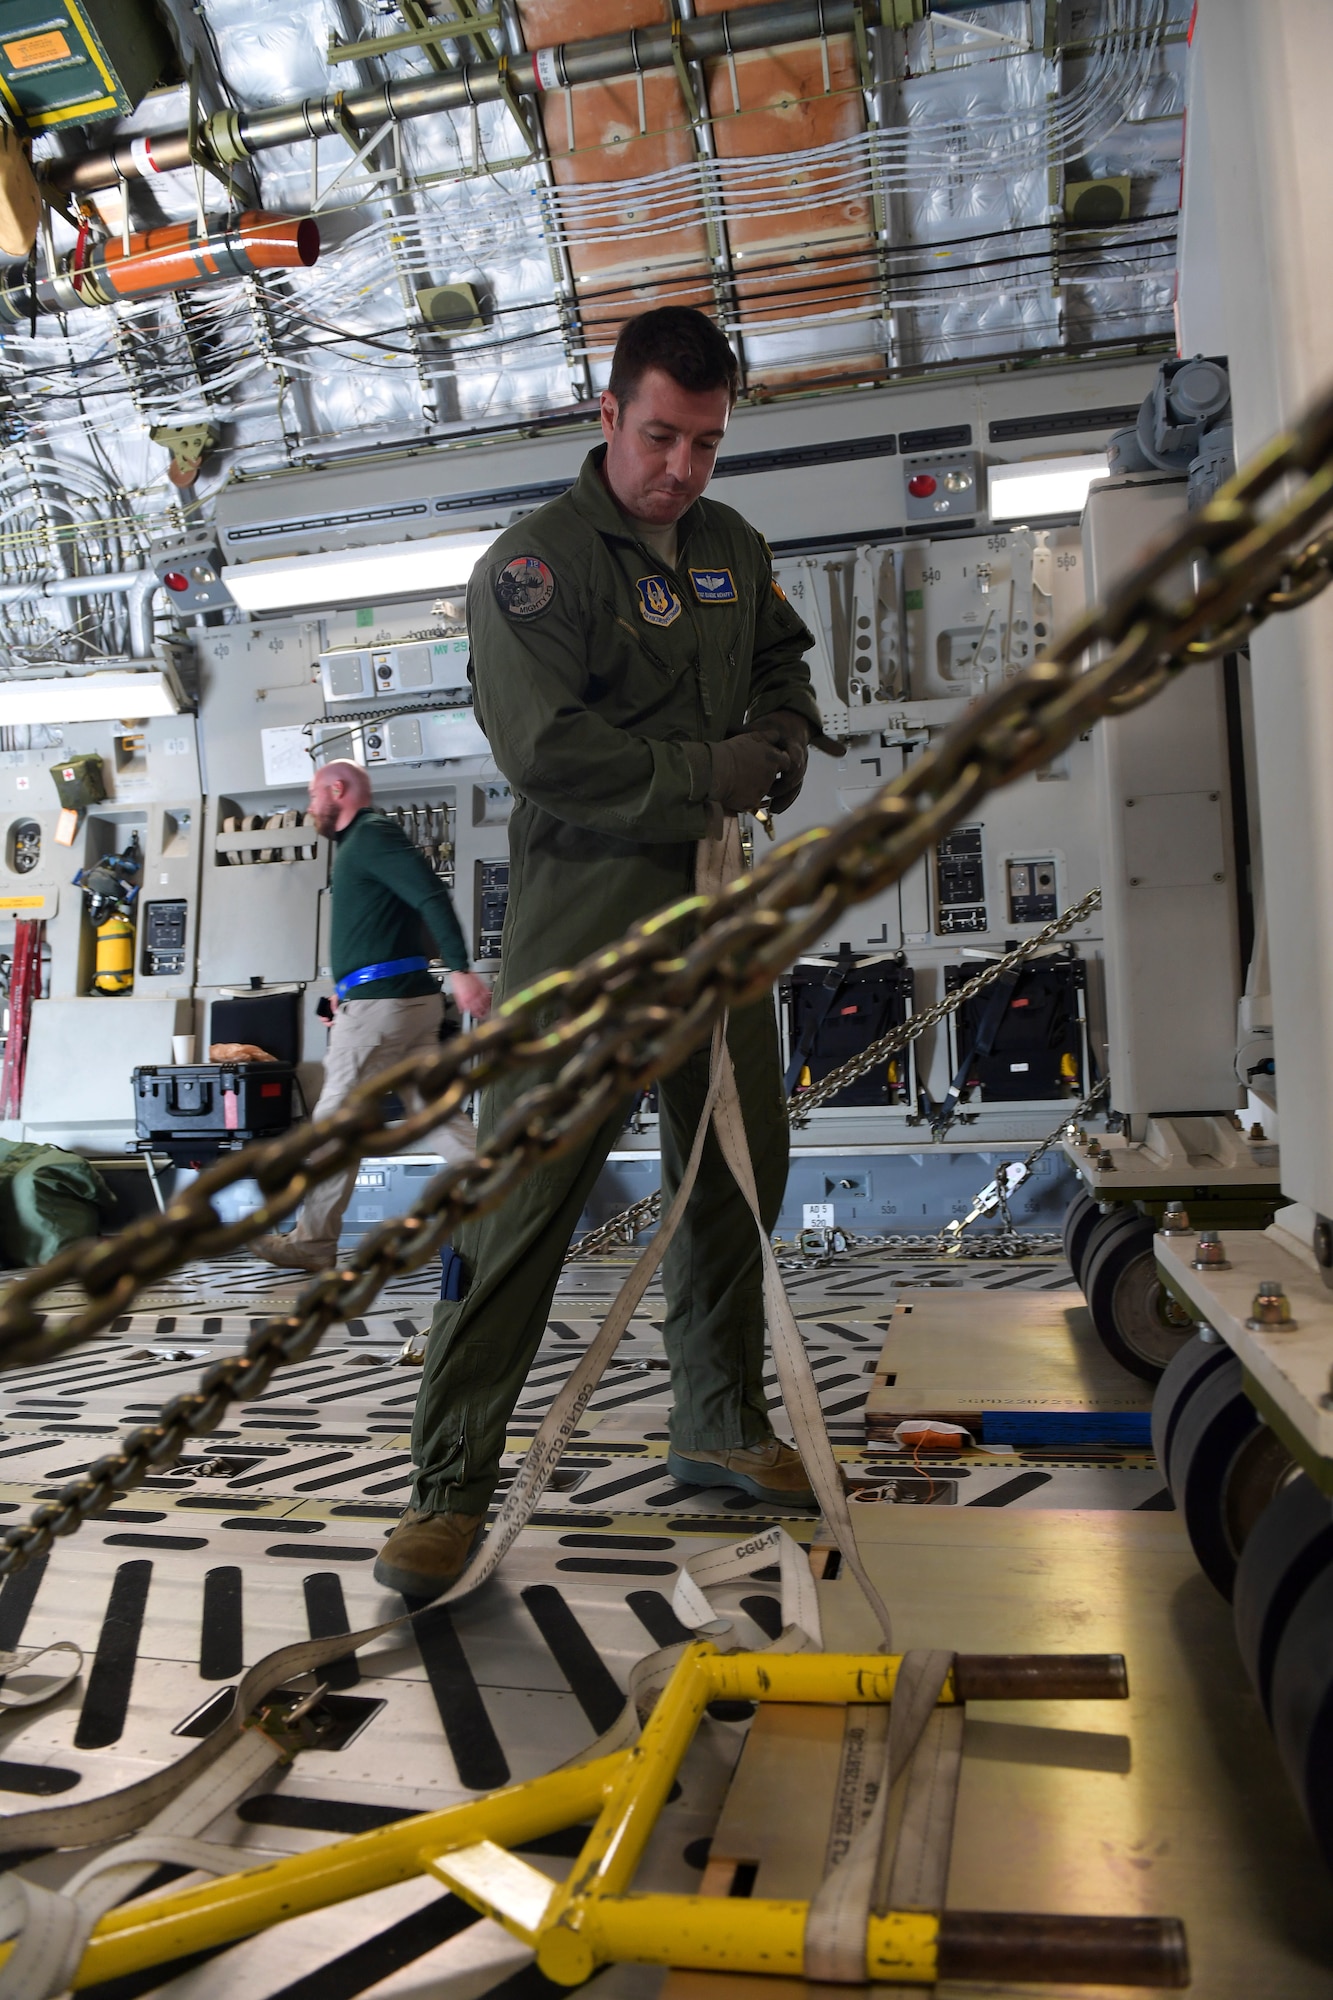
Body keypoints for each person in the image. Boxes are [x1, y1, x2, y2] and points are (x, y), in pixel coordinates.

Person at [375, 306, 832, 1599]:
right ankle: (448, 1489)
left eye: (704, 442)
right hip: (585, 932)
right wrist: (712, 773)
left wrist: (785, 739)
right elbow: (546, 753)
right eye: (658, 436)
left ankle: (718, 1422)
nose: (680, 467)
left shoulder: (732, 551)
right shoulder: (536, 569)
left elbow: (784, 666)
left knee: (740, 1171)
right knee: (526, 1198)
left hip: (712, 923)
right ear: (607, 414)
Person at [254, 760, 492, 1273]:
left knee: (332, 1122)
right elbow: (400, 916)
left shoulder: (371, 836)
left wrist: (460, 969)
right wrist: (347, 990)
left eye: (314, 793)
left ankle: (313, 1242)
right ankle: (507, 1193)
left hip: (383, 1009)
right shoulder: (361, 847)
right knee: (437, 1115)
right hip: (392, 1003)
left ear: (337, 790)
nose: (309, 804)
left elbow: (431, 894)